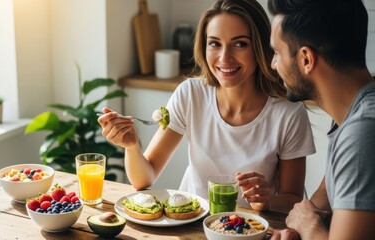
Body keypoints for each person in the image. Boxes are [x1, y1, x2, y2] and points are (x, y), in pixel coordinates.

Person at [98, 0, 315, 213]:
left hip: (252, 228)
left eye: (240, 44)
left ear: (259, 47)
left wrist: (266, 202)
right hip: (192, 223)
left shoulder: (289, 113)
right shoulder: (191, 94)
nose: (224, 58)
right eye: (215, 43)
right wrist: (132, 146)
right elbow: (144, 180)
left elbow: (293, 199)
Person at [268, 0, 375, 239]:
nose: (273, 64)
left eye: (277, 52)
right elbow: (331, 190)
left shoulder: (364, 130)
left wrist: (308, 226)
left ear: (306, 59)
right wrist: (301, 227)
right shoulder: (353, 115)